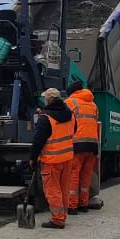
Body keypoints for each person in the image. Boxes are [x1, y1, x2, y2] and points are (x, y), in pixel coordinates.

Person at [28, 87, 75, 229]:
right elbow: (74, 130)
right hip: (67, 157)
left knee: (53, 190)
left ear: (48, 100)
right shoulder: (70, 114)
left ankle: (58, 219)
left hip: (51, 160)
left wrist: (32, 158)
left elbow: (38, 141)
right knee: (64, 189)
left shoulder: (46, 118)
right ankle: (62, 216)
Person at [66, 82, 101, 214]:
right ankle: (84, 204)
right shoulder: (93, 105)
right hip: (92, 144)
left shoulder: (70, 102)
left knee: (74, 174)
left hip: (77, 143)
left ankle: (72, 206)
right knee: (86, 174)